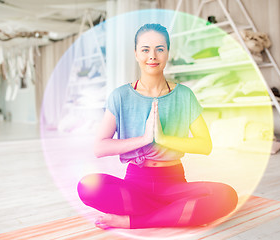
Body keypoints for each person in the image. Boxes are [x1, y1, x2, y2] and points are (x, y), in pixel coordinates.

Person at [77, 23, 238, 229]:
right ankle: (175, 211)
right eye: (145, 49)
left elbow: (204, 145)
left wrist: (163, 139)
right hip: (135, 185)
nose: (152, 56)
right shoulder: (120, 96)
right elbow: (100, 148)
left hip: (174, 184)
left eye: (159, 49)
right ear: (136, 53)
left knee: (226, 196)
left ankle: (135, 220)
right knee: (87, 187)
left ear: (167, 53)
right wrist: (144, 139)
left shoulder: (184, 95)